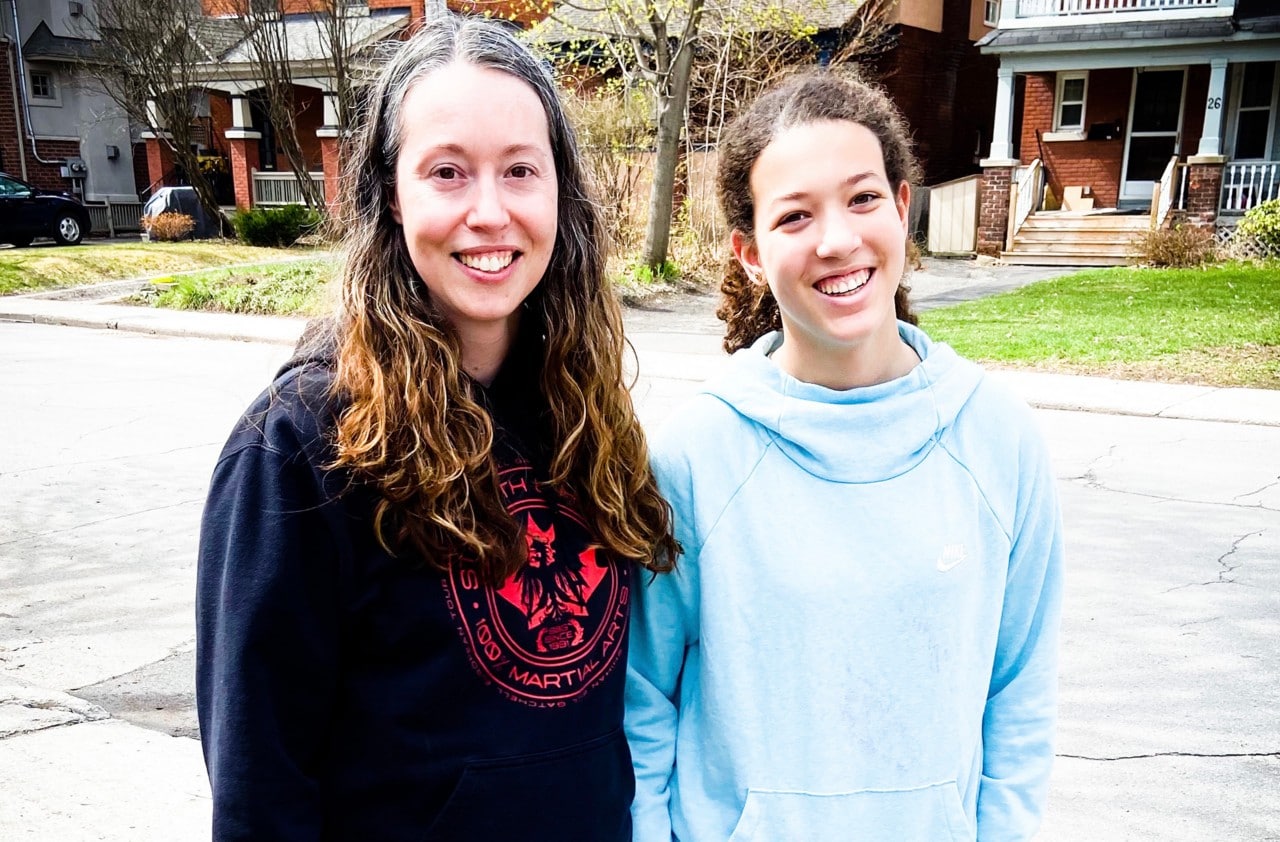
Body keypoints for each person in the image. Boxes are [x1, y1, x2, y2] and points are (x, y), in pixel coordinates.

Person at [196, 15, 677, 841]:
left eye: (521, 170)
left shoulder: (584, 415)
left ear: (559, 186)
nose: (489, 212)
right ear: (392, 193)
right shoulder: (300, 448)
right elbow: (259, 790)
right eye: (448, 172)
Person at [625, 69, 1065, 841]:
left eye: (862, 199)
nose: (837, 240)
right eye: (794, 216)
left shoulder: (1000, 441)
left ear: (902, 207)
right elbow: (644, 700)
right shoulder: (694, 457)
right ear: (750, 252)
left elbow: (1018, 696)